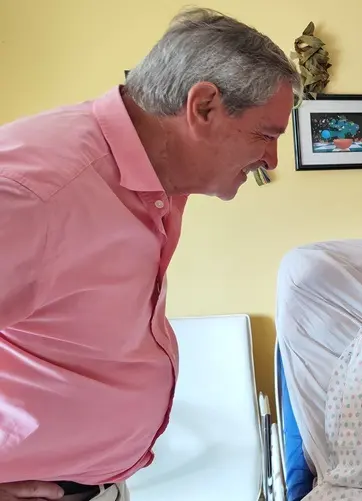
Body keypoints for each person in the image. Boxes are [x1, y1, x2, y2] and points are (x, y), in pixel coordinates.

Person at [0, 8, 300, 501]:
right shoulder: (39, 192)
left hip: (102, 481)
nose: (270, 159)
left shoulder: (155, 178)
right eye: (266, 134)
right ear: (203, 107)